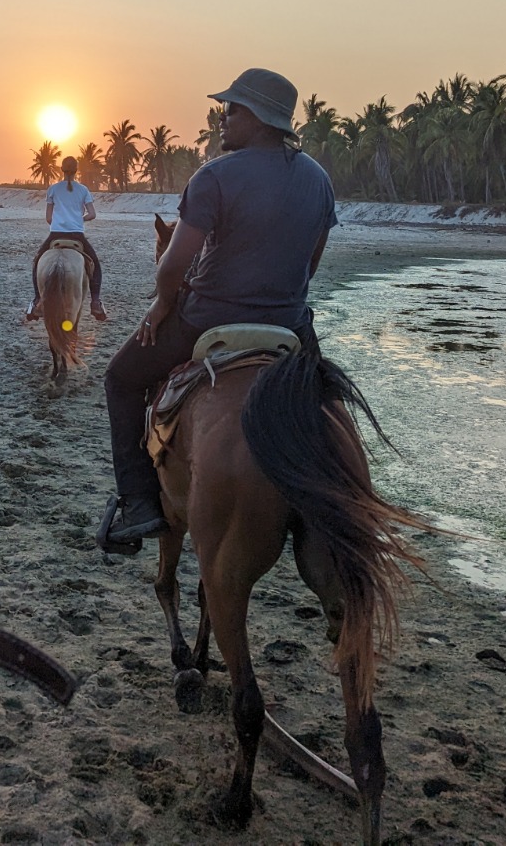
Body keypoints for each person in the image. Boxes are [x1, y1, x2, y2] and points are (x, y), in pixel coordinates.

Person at [99, 67, 338, 547]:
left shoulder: (214, 176)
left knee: (120, 379)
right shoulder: (317, 178)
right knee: (329, 402)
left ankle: (139, 502)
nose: (221, 118)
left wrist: (161, 308)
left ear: (257, 118)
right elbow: (310, 265)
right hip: (289, 324)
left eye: (231, 109)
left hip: (206, 321)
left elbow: (172, 267)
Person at [26, 156, 108, 322]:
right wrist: (79, 219)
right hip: (77, 234)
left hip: (55, 234)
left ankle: (37, 301)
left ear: (61, 170)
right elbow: (92, 214)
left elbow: (48, 218)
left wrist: (59, 220)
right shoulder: (83, 190)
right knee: (96, 265)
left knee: (36, 263)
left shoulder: (53, 189)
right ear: (77, 171)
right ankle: (95, 302)